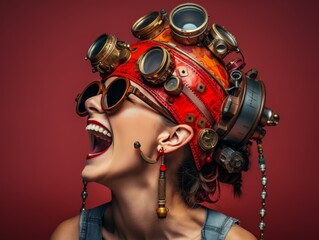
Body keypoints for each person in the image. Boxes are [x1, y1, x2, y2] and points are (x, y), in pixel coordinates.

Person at [50, 3, 279, 240]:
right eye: (95, 93)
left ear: (172, 138)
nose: (91, 103)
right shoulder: (69, 235)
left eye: (115, 96)